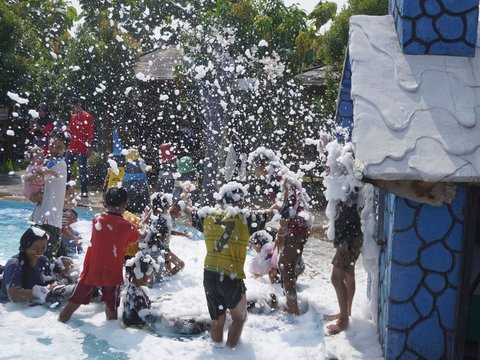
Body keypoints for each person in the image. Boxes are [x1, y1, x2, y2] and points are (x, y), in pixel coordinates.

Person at [185, 181, 275, 347]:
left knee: (217, 321)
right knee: (239, 318)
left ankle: (218, 353)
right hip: (231, 276)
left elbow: (188, 212)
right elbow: (271, 213)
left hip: (210, 274)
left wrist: (185, 196)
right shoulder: (245, 218)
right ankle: (231, 354)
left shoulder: (207, 216)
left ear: (220, 200)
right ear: (240, 201)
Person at [58, 187, 146, 323]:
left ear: (105, 204)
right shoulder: (128, 227)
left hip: (92, 270)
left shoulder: (97, 220)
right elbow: (140, 237)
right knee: (112, 308)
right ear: (125, 205)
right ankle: (111, 335)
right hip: (113, 273)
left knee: (73, 303)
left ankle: (61, 322)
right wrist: (143, 224)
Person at [249, 147, 313, 315]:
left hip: (295, 227)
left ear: (262, 164)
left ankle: (293, 309)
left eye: (256, 166)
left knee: (285, 265)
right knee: (287, 264)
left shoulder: (276, 177)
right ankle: (291, 303)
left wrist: (281, 232)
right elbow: (286, 201)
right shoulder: (280, 174)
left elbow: (288, 206)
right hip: (301, 225)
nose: (256, 170)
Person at [122, 251, 209, 334]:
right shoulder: (137, 295)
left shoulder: (133, 288)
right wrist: (166, 320)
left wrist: (159, 301)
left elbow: (142, 308)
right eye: (150, 276)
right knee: (192, 328)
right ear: (141, 274)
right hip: (139, 327)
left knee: (185, 321)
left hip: (136, 322)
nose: (151, 279)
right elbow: (148, 318)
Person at [324, 192, 363, 334]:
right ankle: (346, 312)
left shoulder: (346, 182)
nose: (326, 169)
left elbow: (348, 211)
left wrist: (344, 241)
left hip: (349, 238)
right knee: (348, 274)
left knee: (336, 278)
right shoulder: (345, 180)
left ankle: (344, 319)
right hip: (353, 236)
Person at [32, 129, 69, 260]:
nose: (54, 150)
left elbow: (35, 177)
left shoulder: (59, 164)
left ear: (66, 149)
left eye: (59, 147)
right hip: (44, 218)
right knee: (37, 261)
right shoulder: (48, 162)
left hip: (49, 222)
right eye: (52, 145)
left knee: (42, 262)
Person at [0, 227, 55, 303]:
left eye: (43, 248)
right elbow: (14, 296)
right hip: (9, 308)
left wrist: (54, 285)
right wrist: (38, 292)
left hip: (31, 304)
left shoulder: (43, 260)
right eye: (36, 248)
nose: (40, 252)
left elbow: (50, 280)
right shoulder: (14, 264)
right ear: (25, 247)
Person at [141, 192, 186, 281]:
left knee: (153, 277)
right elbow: (164, 238)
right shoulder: (163, 219)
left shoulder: (154, 217)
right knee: (156, 279)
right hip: (161, 250)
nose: (181, 214)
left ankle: (165, 277)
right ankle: (166, 278)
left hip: (154, 250)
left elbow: (147, 233)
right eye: (167, 207)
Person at [66, 97, 94, 199]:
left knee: (83, 171)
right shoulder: (73, 117)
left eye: (73, 106)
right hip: (72, 148)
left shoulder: (87, 116)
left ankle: (84, 192)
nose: (72, 108)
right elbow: (70, 130)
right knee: (66, 167)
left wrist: (89, 148)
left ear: (78, 105)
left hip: (82, 149)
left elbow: (90, 133)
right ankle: (65, 189)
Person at [122, 148, 151, 214]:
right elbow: (146, 169)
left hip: (128, 186)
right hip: (140, 186)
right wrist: (150, 168)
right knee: (143, 205)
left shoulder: (126, 164)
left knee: (129, 204)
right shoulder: (141, 162)